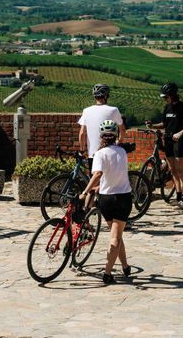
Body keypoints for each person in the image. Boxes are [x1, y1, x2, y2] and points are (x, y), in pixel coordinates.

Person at [80, 120, 133, 285]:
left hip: (106, 199)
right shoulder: (122, 152)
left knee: (115, 234)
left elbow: (97, 174)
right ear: (116, 134)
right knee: (116, 236)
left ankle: (125, 265)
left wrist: (85, 191)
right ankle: (107, 273)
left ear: (101, 136)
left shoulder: (100, 154)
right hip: (123, 197)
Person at [144, 81, 183, 207]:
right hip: (168, 140)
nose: (164, 99)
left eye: (166, 97)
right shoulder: (167, 108)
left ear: (172, 95)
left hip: (179, 141)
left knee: (181, 171)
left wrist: (180, 133)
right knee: (173, 170)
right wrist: (152, 125)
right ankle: (178, 195)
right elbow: (164, 124)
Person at [77, 84, 125, 165]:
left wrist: (82, 150)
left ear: (94, 96)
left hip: (93, 155)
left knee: (94, 177)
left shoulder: (86, 111)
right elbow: (122, 129)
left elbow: (82, 133)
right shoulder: (113, 110)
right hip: (109, 153)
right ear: (106, 96)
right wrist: (119, 141)